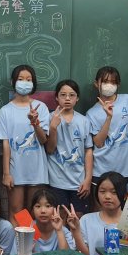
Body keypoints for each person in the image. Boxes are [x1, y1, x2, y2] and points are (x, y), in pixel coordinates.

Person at [0, 64, 49, 225]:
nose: (24, 82)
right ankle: (16, 242)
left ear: (33, 82)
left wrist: (35, 123)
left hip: (36, 168)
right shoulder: (5, 111)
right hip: (15, 169)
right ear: (13, 82)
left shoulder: (41, 108)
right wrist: (6, 173)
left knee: (34, 211)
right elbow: (5, 144)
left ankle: (33, 241)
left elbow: (43, 140)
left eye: (28, 79)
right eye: (20, 79)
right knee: (16, 211)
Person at [46, 79, 93, 215]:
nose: (67, 98)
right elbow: (49, 149)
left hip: (79, 182)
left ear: (77, 98)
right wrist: (53, 127)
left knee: (77, 218)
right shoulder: (49, 118)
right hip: (56, 181)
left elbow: (88, 151)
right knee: (59, 218)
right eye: (63, 95)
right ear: (56, 97)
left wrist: (88, 179)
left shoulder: (84, 121)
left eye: (72, 95)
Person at [85, 66, 128, 180]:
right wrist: (109, 117)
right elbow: (99, 143)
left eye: (113, 82)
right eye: (105, 81)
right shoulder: (91, 113)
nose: (109, 85)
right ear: (96, 83)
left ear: (118, 84)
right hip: (103, 170)